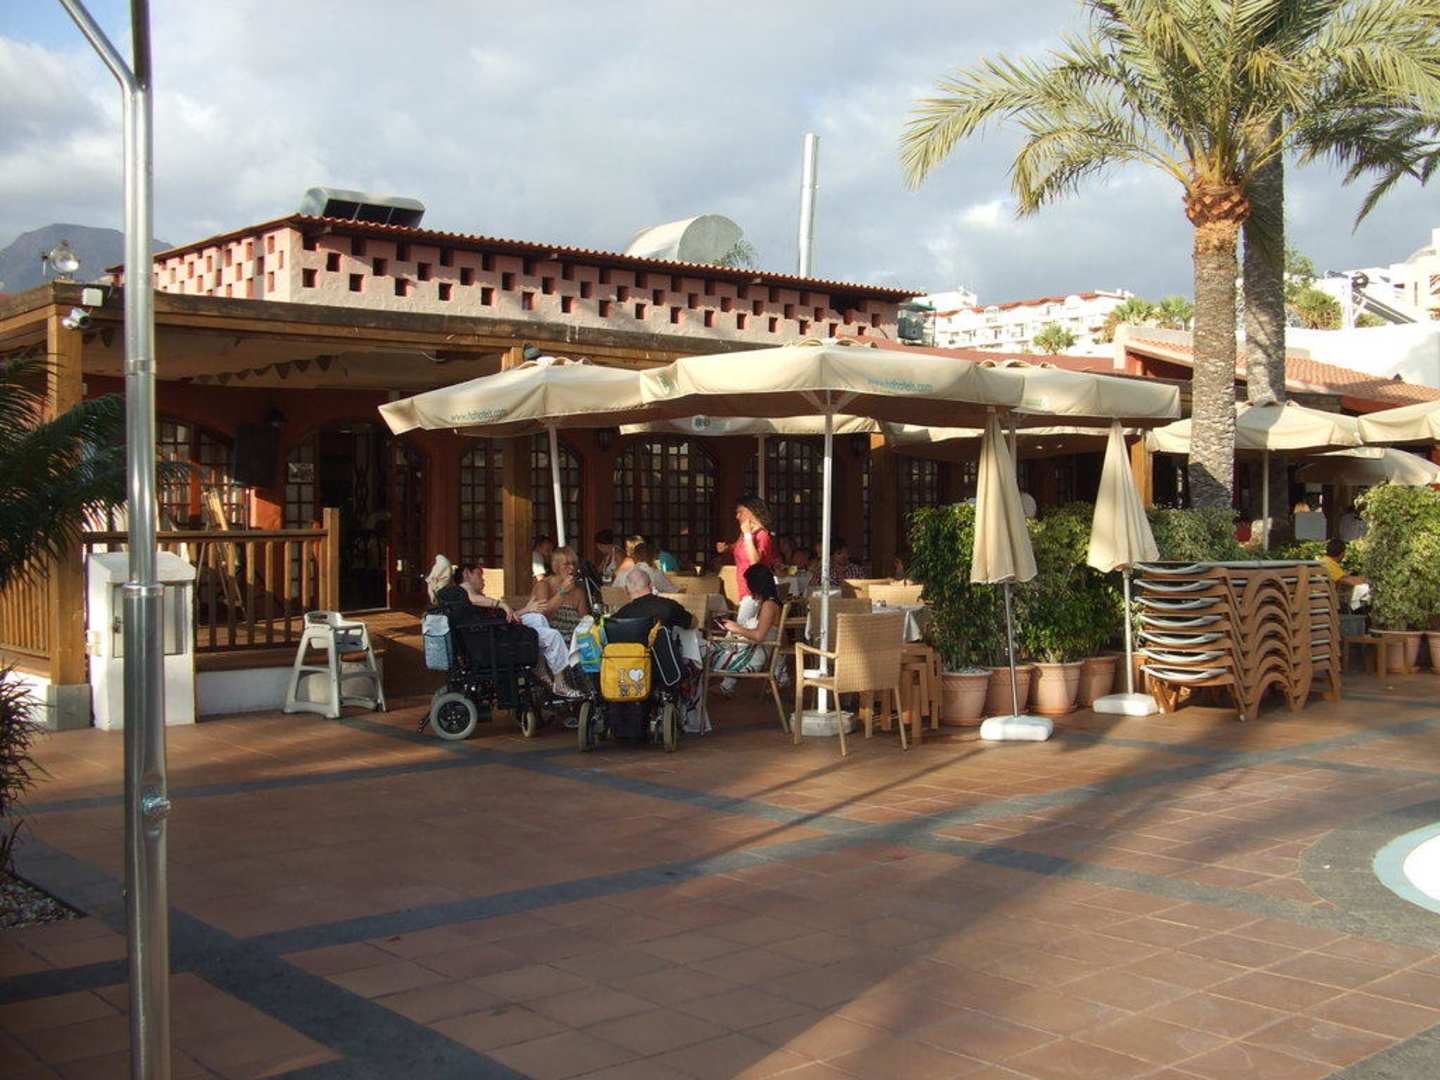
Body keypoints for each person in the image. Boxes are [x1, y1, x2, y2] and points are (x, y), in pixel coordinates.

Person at [710, 564, 783, 695]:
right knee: (710, 649)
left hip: (752, 658)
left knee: (705, 653)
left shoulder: (768, 606)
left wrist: (736, 628)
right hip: (754, 652)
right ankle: (724, 687)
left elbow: (759, 636)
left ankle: (696, 696)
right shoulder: (769, 603)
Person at [715, 495, 776, 601]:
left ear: (752, 512)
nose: (737, 516)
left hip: (755, 589)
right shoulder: (744, 533)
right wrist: (727, 548)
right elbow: (739, 548)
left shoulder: (762, 535)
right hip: (742, 585)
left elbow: (754, 562)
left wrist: (747, 534)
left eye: (740, 512)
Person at [522, 545, 590, 637]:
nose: (572, 567)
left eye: (574, 563)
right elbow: (543, 615)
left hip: (574, 640)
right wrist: (562, 592)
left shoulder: (579, 591)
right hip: (548, 640)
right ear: (556, 567)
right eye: (566, 564)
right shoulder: (544, 585)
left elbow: (585, 623)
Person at [611, 566, 693, 630]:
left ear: (626, 590)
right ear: (651, 585)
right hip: (661, 647)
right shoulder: (669, 606)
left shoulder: (619, 616)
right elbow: (691, 623)